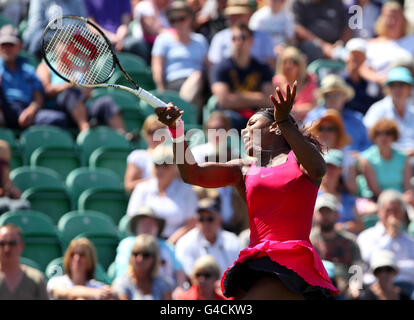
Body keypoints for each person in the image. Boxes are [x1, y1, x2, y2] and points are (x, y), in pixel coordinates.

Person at [155, 81, 339, 299]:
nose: (245, 130)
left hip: (292, 263)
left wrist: (283, 120)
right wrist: (176, 130)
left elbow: (318, 169)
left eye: (252, 124)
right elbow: (192, 174)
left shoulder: (299, 161)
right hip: (258, 263)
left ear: (274, 128)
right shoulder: (242, 169)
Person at [126, 144, 198, 243]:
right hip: (145, 243)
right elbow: (133, 217)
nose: (160, 169)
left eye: (165, 165)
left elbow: (192, 223)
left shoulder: (186, 190)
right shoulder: (142, 188)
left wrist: (170, 243)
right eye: (157, 164)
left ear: (175, 166)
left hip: (177, 244)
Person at [210, 22, 274, 132]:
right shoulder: (221, 68)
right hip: (230, 117)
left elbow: (269, 100)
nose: (238, 42)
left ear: (251, 41)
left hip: (257, 117)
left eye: (243, 37)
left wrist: (236, 97)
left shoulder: (262, 67)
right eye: (234, 38)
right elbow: (224, 101)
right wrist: (258, 98)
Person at [35, 61, 128, 134]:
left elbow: (89, 93)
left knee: (106, 102)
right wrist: (66, 85)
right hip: (59, 109)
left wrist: (86, 90)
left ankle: (123, 136)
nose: (68, 47)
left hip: (82, 107)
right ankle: (85, 129)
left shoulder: (80, 69)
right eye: (64, 43)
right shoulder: (45, 67)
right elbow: (45, 91)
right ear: (56, 46)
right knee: (70, 93)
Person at [151, 1, 209, 114]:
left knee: (198, 78)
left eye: (181, 18)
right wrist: (161, 91)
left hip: (199, 84)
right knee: (197, 87)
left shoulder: (200, 40)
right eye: (173, 20)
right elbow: (157, 67)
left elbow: (209, 67)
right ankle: (183, 112)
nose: (177, 23)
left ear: (189, 18)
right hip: (174, 84)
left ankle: (179, 113)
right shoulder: (163, 39)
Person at [114, 206, 187, 289]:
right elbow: (122, 273)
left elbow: (179, 271)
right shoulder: (127, 244)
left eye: (151, 223)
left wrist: (180, 289)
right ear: (136, 226)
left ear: (158, 227)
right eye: (143, 223)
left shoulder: (167, 247)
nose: (147, 227)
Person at [357, 189, 414, 293]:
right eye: (388, 210)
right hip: (374, 288)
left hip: (406, 288)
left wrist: (393, 267)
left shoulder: (410, 241)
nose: (392, 215)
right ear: (379, 212)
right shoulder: (367, 236)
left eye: (396, 211)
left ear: (402, 213)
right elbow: (369, 261)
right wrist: (389, 237)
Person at [310, 193, 363, 295]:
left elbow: (357, 266)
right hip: (317, 288)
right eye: (322, 212)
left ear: (337, 215)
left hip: (346, 289)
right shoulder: (309, 241)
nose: (325, 216)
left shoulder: (350, 241)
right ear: (316, 215)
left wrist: (356, 284)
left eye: (328, 212)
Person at [304, 74, 371, 153]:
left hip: (351, 164)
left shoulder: (356, 119)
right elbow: (304, 144)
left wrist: (359, 155)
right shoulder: (313, 117)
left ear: (344, 96)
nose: (332, 98)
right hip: (320, 161)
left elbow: (368, 145)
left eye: (336, 95)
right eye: (327, 95)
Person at [174, 198, 241, 277]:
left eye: (210, 219)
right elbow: (190, 275)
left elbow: (239, 271)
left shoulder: (232, 241)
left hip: (229, 287)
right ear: (196, 221)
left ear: (220, 219)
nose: (205, 223)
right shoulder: (185, 242)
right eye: (201, 219)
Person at [207, 0, 275, 69]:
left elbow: (270, 64)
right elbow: (213, 66)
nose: (235, 19)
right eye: (232, 15)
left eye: (239, 15)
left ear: (248, 15)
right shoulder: (219, 38)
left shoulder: (263, 37)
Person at [359, 2, 414, 86]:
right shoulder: (371, 45)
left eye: (395, 17)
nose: (391, 21)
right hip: (379, 92)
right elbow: (363, 69)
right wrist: (380, 80)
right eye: (388, 17)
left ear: (403, 20)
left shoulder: (411, 40)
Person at [363, 67, 414, 157]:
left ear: (409, 88)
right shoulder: (377, 109)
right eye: (393, 85)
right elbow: (370, 139)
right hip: (385, 160)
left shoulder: (412, 111)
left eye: (401, 85)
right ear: (388, 88)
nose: (397, 89)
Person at [0, 24, 43, 130]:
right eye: (4, 45)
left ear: (19, 46)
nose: (7, 49)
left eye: (11, 45)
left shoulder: (29, 70)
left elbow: (38, 96)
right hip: (5, 109)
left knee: (57, 119)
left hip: (27, 110)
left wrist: (31, 110)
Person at [358, 119, 412, 200]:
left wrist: (407, 198)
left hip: (403, 201)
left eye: (388, 133)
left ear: (394, 136)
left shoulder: (403, 158)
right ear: (374, 136)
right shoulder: (367, 159)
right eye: (379, 133)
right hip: (377, 201)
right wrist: (398, 200)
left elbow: (408, 187)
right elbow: (375, 190)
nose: (383, 137)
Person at [47, 237, 117, 300]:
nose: (77, 258)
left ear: (90, 259)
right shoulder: (56, 281)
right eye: (72, 254)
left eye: (82, 255)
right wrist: (95, 293)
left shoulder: (98, 286)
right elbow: (66, 293)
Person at [112, 234, 172, 300]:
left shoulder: (163, 284)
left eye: (146, 255)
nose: (139, 259)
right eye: (136, 254)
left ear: (154, 258)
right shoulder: (121, 283)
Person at [23, 0, 87, 58]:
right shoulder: (39, 1)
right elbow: (34, 32)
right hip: (45, 52)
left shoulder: (77, 2)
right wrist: (55, 43)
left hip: (73, 50)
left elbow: (82, 27)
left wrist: (70, 43)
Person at [319, 149, 363, 234]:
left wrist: (343, 227)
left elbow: (360, 225)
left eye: (333, 167)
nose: (330, 170)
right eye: (327, 166)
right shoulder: (312, 195)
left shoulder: (348, 197)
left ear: (341, 170)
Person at [0, 224, 48, 300]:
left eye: (12, 243)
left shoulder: (36, 278)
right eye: (2, 244)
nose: (7, 249)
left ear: (21, 246)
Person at [272, 46, 318, 123]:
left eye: (294, 62)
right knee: (257, 131)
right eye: (285, 62)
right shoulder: (276, 82)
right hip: (282, 124)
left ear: (300, 65)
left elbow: (314, 106)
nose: (288, 66)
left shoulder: (310, 80)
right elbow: (274, 107)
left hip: (307, 124)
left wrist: (293, 110)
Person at [124, 114, 167, 194]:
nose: (156, 136)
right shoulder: (138, 156)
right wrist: (156, 181)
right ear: (145, 134)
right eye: (151, 132)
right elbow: (129, 186)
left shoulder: (172, 156)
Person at [341, 38, 383, 116]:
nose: (356, 58)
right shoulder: (339, 81)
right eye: (353, 54)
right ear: (347, 56)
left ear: (364, 59)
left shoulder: (370, 84)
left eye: (360, 55)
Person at [127, 0, 171, 64]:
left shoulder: (166, 9)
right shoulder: (144, 6)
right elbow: (151, 31)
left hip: (163, 43)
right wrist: (173, 33)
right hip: (147, 44)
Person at [0, 140, 30, 215]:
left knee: (23, 205)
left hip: (3, 197)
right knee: (3, 206)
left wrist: (11, 190)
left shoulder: (3, 146)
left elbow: (7, 182)